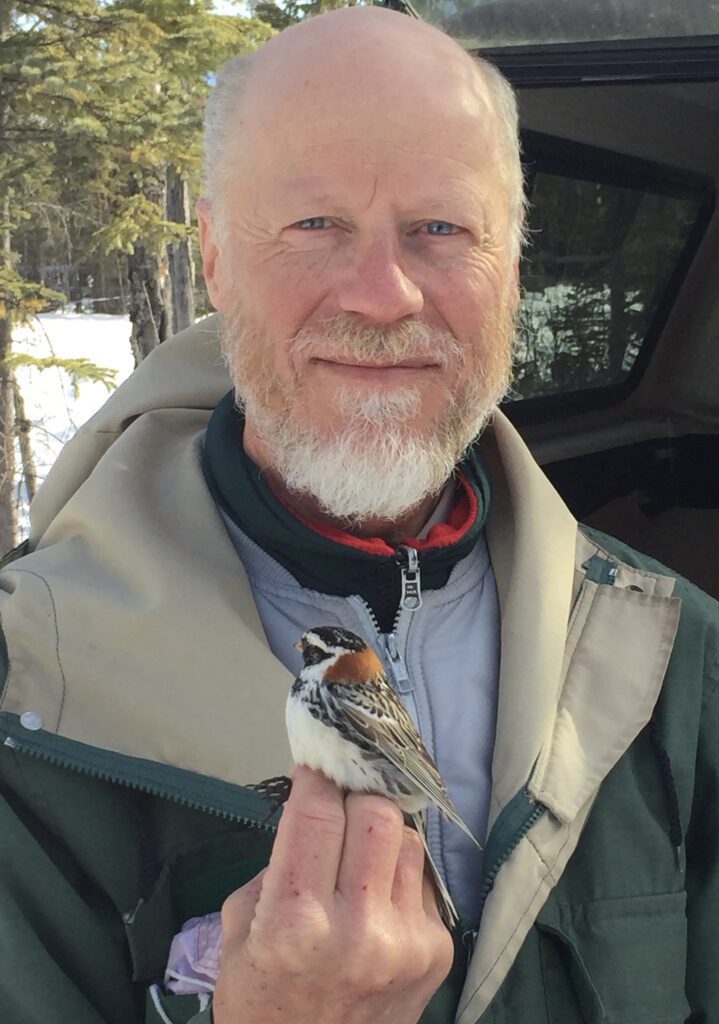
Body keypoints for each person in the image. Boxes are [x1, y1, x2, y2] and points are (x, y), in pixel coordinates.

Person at [0, 6, 717, 1024]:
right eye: (313, 224)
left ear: (510, 270)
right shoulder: (26, 696)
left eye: (439, 229)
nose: (381, 295)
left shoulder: (678, 661)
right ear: (212, 256)